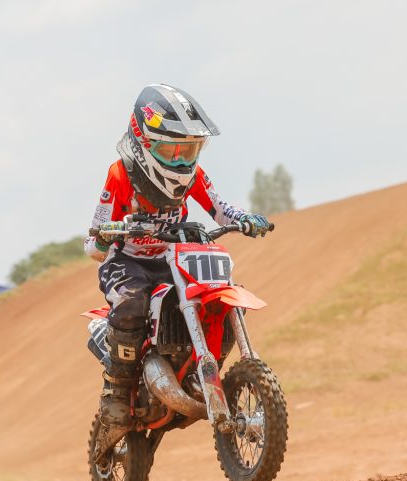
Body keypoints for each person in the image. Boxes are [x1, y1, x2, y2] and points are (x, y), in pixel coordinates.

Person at [85, 83, 272, 427]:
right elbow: (93, 243)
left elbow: (220, 209)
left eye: (189, 150)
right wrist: (110, 233)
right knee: (131, 305)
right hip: (128, 263)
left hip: (174, 257)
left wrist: (246, 219)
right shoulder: (120, 174)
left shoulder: (193, 175)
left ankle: (200, 371)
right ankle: (116, 392)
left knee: (217, 296)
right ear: (144, 142)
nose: (181, 160)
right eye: (172, 150)